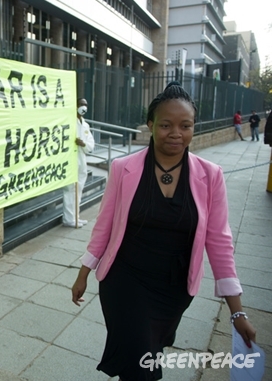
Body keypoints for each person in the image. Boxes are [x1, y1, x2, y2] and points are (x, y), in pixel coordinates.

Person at [71, 82, 256, 380]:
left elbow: (220, 243)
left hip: (174, 289)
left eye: (186, 126)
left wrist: (237, 311)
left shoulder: (211, 176)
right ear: (150, 125)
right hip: (125, 281)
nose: (176, 133)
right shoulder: (123, 168)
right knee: (141, 365)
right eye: (166, 125)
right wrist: (84, 272)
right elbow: (104, 224)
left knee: (148, 353)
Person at [62, 97, 95, 227]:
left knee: (79, 189)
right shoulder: (70, 122)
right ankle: (68, 218)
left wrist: (83, 143)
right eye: (81, 104)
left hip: (81, 159)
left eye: (85, 105)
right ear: (76, 105)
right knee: (70, 189)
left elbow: (91, 144)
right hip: (71, 158)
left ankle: (76, 216)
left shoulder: (85, 124)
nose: (84, 107)